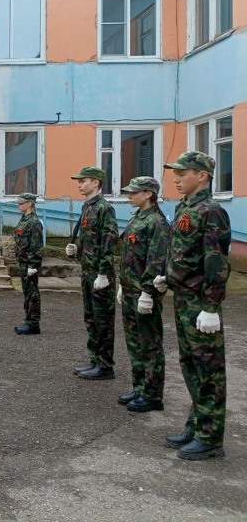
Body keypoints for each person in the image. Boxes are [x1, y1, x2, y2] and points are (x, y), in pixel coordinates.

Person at [155, 152, 230, 460]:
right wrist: (166, 277)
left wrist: (211, 306)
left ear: (202, 176)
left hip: (200, 303)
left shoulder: (212, 211)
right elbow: (180, 251)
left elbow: (216, 261)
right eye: (176, 173)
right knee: (190, 365)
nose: (176, 178)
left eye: (183, 173)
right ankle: (197, 425)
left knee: (209, 370)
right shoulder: (185, 207)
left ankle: (211, 438)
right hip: (183, 298)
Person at [116, 177, 170, 413]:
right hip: (130, 290)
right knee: (134, 343)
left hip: (143, 293)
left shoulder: (156, 222)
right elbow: (129, 255)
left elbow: (157, 260)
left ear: (148, 194)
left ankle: (152, 395)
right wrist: (122, 284)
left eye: (133, 192)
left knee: (150, 345)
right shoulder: (137, 218)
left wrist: (147, 291)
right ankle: (140, 387)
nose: (129, 195)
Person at [65, 167, 118, 380]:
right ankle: (95, 358)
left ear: (95, 182)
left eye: (83, 181)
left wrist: (104, 273)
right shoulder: (87, 207)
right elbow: (91, 241)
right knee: (91, 318)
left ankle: (106, 365)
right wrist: (76, 250)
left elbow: (108, 241)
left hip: (99, 274)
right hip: (88, 272)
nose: (79, 184)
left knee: (103, 319)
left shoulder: (104, 208)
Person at [13, 193, 43, 335]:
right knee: (27, 292)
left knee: (32, 294)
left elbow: (36, 246)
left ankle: (33, 324)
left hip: (29, 264)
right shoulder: (24, 220)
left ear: (30, 203)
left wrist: (33, 266)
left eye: (21, 203)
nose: (19, 205)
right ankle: (28, 320)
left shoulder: (34, 222)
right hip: (23, 262)